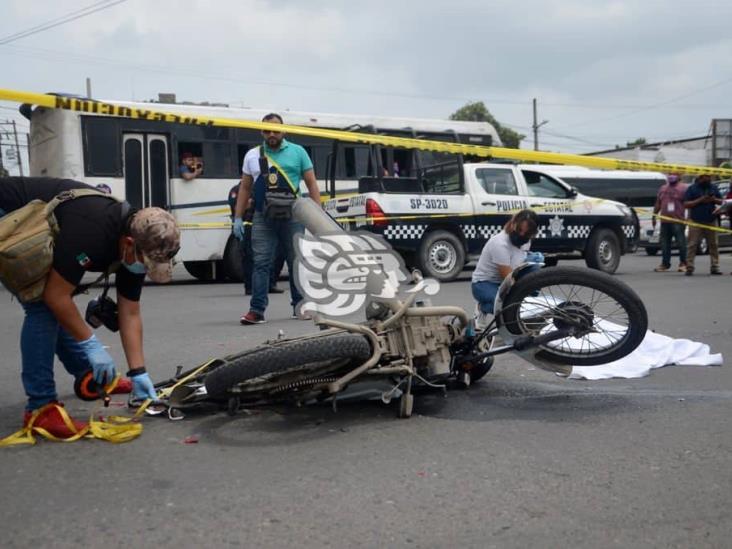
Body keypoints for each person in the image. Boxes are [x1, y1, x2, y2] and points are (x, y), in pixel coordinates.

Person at [0, 177, 180, 438]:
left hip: (43, 221)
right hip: (9, 213)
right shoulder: (93, 232)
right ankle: (40, 409)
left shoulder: (139, 248)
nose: (145, 270)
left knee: (51, 306)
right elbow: (56, 297)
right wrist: (90, 344)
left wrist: (139, 372)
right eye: (146, 263)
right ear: (129, 243)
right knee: (41, 306)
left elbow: (129, 312)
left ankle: (87, 374)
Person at [232, 113, 320, 324]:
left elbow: (312, 184)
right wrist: (237, 217)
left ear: (284, 131)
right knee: (261, 263)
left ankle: (300, 307)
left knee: (296, 263)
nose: (271, 134)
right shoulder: (252, 155)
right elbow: (245, 187)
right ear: (261, 131)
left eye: (275, 130)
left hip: (294, 216)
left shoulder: (298, 152)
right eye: (267, 130)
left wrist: (318, 216)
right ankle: (257, 311)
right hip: (263, 217)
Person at [471, 209, 543, 328]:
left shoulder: (526, 241)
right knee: (507, 307)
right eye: (519, 230)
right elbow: (508, 280)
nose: (521, 235)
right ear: (513, 223)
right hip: (484, 284)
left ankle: (523, 311)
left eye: (526, 233)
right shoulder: (500, 244)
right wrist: (518, 298)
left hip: (511, 274)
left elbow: (520, 261)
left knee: (536, 271)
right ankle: (482, 307)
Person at [227, 183, 285, 295]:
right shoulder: (236, 190)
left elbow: (262, 204)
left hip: (262, 226)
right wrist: (249, 203)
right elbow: (238, 206)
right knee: (248, 257)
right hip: (245, 227)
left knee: (271, 255)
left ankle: (270, 284)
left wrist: (250, 202)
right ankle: (250, 287)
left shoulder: (259, 188)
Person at [683, 174, 723, 276]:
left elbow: (722, 202)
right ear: (700, 178)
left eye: (709, 176)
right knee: (692, 244)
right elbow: (686, 204)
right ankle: (689, 267)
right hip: (695, 221)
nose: (708, 178)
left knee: (713, 244)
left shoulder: (713, 187)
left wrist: (713, 200)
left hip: (711, 220)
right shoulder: (692, 188)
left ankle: (715, 266)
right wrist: (700, 200)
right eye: (705, 176)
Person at [652, 173, 688, 272]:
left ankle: (683, 263)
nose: (671, 176)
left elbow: (688, 204)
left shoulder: (684, 188)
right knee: (664, 244)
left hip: (678, 220)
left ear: (679, 177)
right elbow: (658, 203)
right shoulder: (663, 188)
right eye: (670, 174)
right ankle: (665, 264)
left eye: (674, 174)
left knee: (681, 243)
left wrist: (688, 218)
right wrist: (654, 216)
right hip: (665, 220)